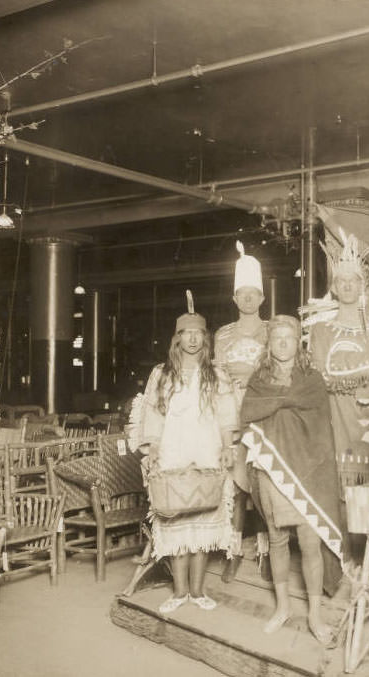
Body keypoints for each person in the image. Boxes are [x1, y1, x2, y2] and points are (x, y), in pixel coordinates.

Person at [241, 316, 345, 642]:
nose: (283, 343)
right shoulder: (259, 381)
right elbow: (249, 419)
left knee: (311, 543)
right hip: (272, 468)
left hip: (308, 469)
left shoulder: (312, 379)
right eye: (277, 339)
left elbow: (320, 429)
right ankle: (283, 607)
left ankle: (314, 615)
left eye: (289, 338)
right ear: (269, 345)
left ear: (298, 342)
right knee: (276, 539)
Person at [140, 302, 236, 614]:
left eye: (198, 333)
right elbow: (152, 415)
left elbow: (226, 417)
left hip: (207, 456)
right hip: (172, 457)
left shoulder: (216, 374)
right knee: (176, 523)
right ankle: (179, 592)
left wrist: (226, 446)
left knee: (204, 525)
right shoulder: (162, 374)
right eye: (186, 333)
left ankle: (197, 591)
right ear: (177, 338)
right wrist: (152, 447)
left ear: (205, 339)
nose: (192, 339)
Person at [310, 232, 369, 486]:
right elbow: (324, 374)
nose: (347, 286)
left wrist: (343, 369)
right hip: (337, 419)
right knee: (343, 497)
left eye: (353, 281)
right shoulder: (320, 329)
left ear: (362, 286)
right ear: (334, 288)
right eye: (341, 281)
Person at [214, 241, 270, 582]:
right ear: (235, 300)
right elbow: (217, 374)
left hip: (263, 415)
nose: (248, 299)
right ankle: (233, 549)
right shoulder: (223, 335)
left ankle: (265, 550)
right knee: (234, 487)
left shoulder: (272, 331)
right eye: (242, 294)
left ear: (262, 299)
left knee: (263, 482)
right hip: (232, 415)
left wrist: (253, 376)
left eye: (254, 294)